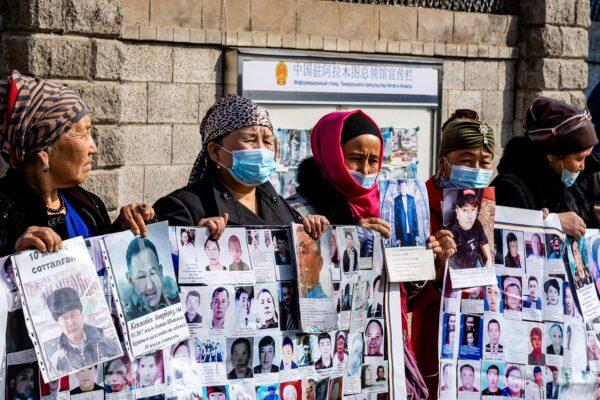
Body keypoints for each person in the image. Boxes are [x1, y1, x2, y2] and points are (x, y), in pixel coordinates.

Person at [287, 109, 431, 398]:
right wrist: (346, 236)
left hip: (379, 352)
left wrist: (425, 262)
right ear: (331, 154)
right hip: (325, 353)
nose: (365, 170)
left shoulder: (386, 208)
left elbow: (399, 297)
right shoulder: (296, 211)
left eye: (373, 160)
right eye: (355, 158)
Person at [0, 71, 154, 258]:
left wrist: (125, 228)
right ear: (45, 149)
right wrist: (12, 257)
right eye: (82, 133)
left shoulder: (89, 204)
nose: (93, 148)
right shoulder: (5, 210)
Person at [154, 94, 327, 243]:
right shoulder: (183, 207)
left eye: (267, 141)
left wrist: (312, 228)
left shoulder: (280, 205)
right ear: (215, 152)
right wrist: (196, 240)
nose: (262, 149)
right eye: (250, 140)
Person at [492, 97, 598, 239]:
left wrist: (592, 214)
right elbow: (504, 235)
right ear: (553, 155)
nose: (582, 166)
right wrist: (552, 223)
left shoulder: (561, 181)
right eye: (579, 159)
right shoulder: (510, 187)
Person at [45, 287, 120, 375]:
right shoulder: (55, 363)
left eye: (73, 315)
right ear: (58, 323)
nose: (70, 322)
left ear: (81, 314)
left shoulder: (109, 345)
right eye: (64, 318)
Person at [123, 236, 180, 320]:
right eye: (141, 277)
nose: (150, 286)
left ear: (161, 272)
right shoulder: (127, 318)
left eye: (153, 273)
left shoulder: (179, 299)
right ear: (130, 280)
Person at [447, 188, 493, 269]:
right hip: (459, 270)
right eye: (465, 210)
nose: (469, 215)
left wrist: (489, 261)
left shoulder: (477, 224)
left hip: (474, 267)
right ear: (457, 212)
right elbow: (449, 259)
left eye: (473, 210)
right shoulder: (454, 232)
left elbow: (484, 242)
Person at [295, 227, 326, 299]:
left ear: (319, 263)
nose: (298, 262)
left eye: (303, 252)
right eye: (296, 253)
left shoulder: (323, 304)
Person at [394, 180, 419, 246]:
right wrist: (397, 237)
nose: (403, 189)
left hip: (412, 233)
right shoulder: (396, 200)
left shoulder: (411, 199)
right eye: (401, 187)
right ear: (399, 188)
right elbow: (396, 220)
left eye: (404, 187)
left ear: (406, 187)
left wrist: (417, 234)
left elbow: (415, 217)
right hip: (402, 234)